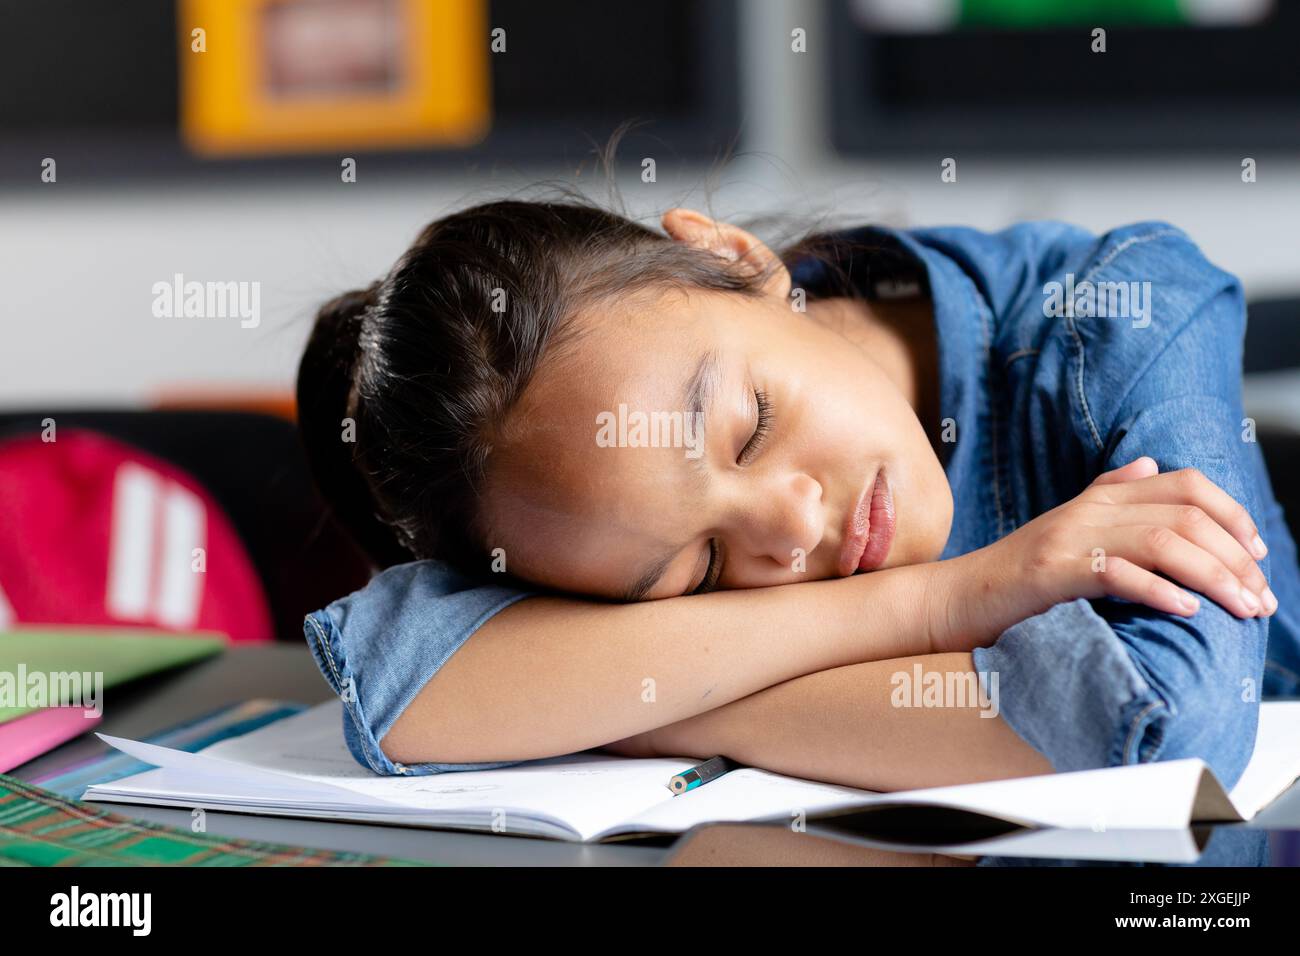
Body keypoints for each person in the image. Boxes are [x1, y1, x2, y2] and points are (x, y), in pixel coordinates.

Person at [296, 193, 1300, 795]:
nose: (786, 527)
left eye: (748, 429)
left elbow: (1167, 725)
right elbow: (402, 685)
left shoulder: (1123, 316)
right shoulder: (573, 521)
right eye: (701, 567)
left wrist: (659, 709)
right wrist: (940, 599)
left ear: (738, 262)